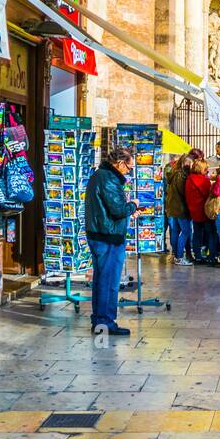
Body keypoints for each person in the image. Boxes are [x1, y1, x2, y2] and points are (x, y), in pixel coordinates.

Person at [84, 144, 138, 337]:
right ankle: (105, 322)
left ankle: (99, 320)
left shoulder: (102, 176)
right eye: (129, 167)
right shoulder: (108, 179)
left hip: (101, 233)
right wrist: (132, 206)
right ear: (120, 163)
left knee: (101, 280)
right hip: (108, 237)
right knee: (109, 281)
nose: (130, 172)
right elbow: (118, 210)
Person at [185, 157, 218, 266]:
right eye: (206, 168)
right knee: (211, 234)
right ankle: (211, 257)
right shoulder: (203, 180)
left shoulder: (189, 179)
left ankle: (198, 256)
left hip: (194, 211)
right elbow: (209, 193)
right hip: (204, 211)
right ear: (201, 168)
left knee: (197, 234)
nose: (207, 170)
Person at [164, 152, 192, 265]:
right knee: (186, 231)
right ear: (186, 164)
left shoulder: (173, 173)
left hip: (171, 207)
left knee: (175, 231)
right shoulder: (181, 175)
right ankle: (179, 257)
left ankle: (175, 254)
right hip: (180, 208)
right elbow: (183, 193)